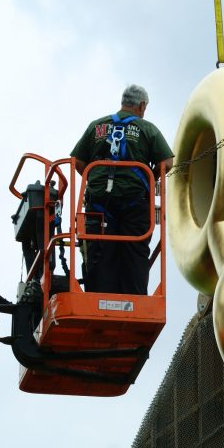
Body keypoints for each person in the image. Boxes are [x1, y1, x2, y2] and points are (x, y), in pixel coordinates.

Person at [71, 85, 174, 295]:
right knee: (134, 253)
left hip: (99, 205)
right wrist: (149, 180)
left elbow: (77, 161)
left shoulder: (96, 126)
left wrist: (93, 180)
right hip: (134, 203)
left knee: (100, 252)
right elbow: (168, 162)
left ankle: (97, 298)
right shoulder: (147, 129)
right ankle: (135, 299)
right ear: (142, 105)